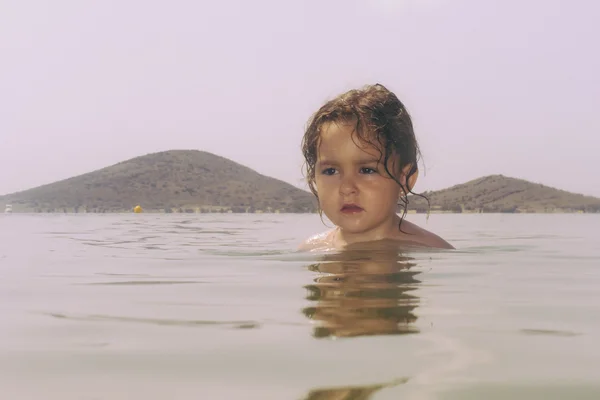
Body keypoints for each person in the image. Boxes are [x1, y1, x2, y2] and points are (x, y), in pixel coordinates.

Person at [298, 83, 453, 251]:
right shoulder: (312, 249)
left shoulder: (431, 250)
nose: (347, 188)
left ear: (404, 179)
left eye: (367, 170)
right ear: (314, 178)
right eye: (331, 171)